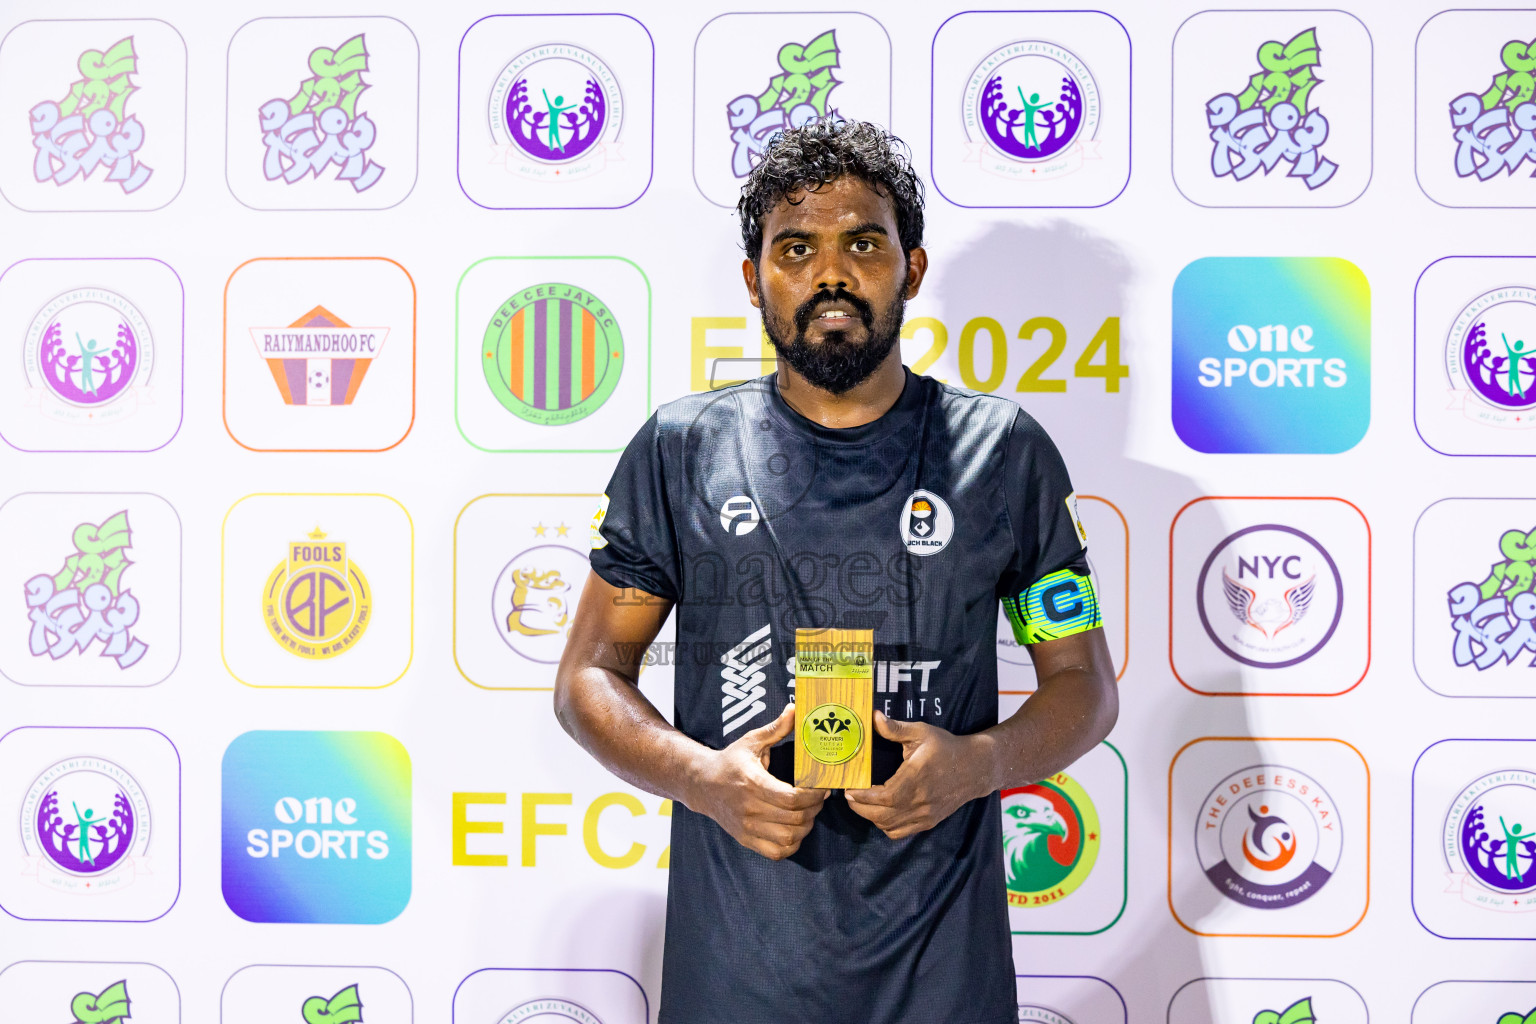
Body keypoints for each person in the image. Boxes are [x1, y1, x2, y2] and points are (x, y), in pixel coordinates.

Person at [554, 119, 1118, 1024]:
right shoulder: (683, 451)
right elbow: (588, 676)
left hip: (943, 980)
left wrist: (979, 763)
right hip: (738, 973)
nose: (831, 272)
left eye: (863, 242)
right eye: (795, 247)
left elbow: (1083, 686)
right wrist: (705, 781)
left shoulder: (999, 454)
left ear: (912, 267)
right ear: (755, 279)